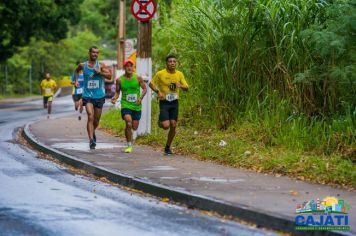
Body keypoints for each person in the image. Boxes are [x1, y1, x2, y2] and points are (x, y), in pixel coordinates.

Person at [149, 55, 188, 155]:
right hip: (164, 102)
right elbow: (151, 84)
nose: (172, 63)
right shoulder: (160, 74)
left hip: (174, 102)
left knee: (173, 125)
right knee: (166, 126)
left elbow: (187, 87)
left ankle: (167, 147)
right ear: (166, 63)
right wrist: (158, 92)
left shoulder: (179, 74)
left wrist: (181, 86)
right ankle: (161, 121)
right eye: (170, 61)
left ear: (176, 63)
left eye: (174, 61)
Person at [74, 46, 112, 149]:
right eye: (93, 52)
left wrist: (100, 72)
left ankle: (92, 131)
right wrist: (76, 80)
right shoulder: (83, 65)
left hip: (99, 96)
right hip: (87, 96)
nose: (95, 54)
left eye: (97, 53)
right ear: (89, 53)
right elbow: (76, 71)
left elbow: (110, 76)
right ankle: (91, 140)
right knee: (90, 116)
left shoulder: (101, 65)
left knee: (96, 121)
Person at [111, 59, 147, 153]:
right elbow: (117, 92)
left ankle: (128, 130)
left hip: (136, 106)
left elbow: (144, 89)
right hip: (125, 105)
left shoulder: (138, 78)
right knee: (128, 122)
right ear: (124, 68)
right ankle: (129, 145)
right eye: (127, 66)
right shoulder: (119, 80)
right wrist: (114, 98)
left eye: (131, 66)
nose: (129, 68)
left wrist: (141, 98)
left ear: (133, 67)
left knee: (134, 127)